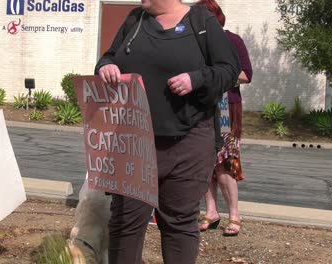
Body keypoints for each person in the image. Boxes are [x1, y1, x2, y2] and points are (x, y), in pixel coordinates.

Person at [95, 0, 241, 263]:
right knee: (125, 220)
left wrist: (196, 79)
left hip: (188, 140)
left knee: (179, 223)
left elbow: (229, 69)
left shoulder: (201, 21)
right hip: (134, 141)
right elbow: (109, 56)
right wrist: (106, 66)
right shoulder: (135, 20)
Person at [197, 0, 253, 237]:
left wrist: (216, 78)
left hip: (226, 106)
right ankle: (211, 212)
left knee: (226, 161)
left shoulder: (233, 40)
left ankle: (234, 214)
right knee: (205, 161)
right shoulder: (197, 43)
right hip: (201, 107)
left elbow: (245, 74)